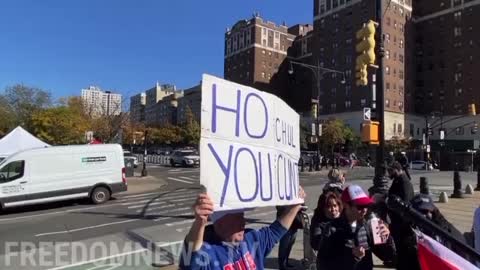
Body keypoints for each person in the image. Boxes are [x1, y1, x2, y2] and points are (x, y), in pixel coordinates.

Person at [180, 188, 306, 270]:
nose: (243, 222)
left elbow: (276, 230)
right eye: (238, 217)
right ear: (219, 223)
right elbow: (190, 253)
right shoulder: (208, 253)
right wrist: (199, 222)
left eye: (243, 216)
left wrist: (295, 206)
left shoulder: (251, 239)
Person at [314, 185, 396, 270]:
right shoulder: (332, 229)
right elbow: (323, 265)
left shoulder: (367, 225)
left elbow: (389, 257)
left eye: (366, 205)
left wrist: (388, 238)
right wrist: (352, 257)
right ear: (346, 206)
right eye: (360, 206)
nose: (364, 210)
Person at [387, 162, 419, 270]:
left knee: (403, 251)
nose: (389, 173)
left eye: (390, 171)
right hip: (398, 224)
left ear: (397, 169)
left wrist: (388, 201)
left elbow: (404, 204)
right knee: (400, 250)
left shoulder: (404, 182)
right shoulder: (398, 180)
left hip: (403, 225)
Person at [276, 205, 304, 270]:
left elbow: (302, 204)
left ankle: (286, 262)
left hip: (295, 224)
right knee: (284, 245)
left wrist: (301, 207)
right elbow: (279, 207)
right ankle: (282, 265)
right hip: (285, 224)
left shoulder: (296, 196)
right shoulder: (283, 197)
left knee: (290, 244)